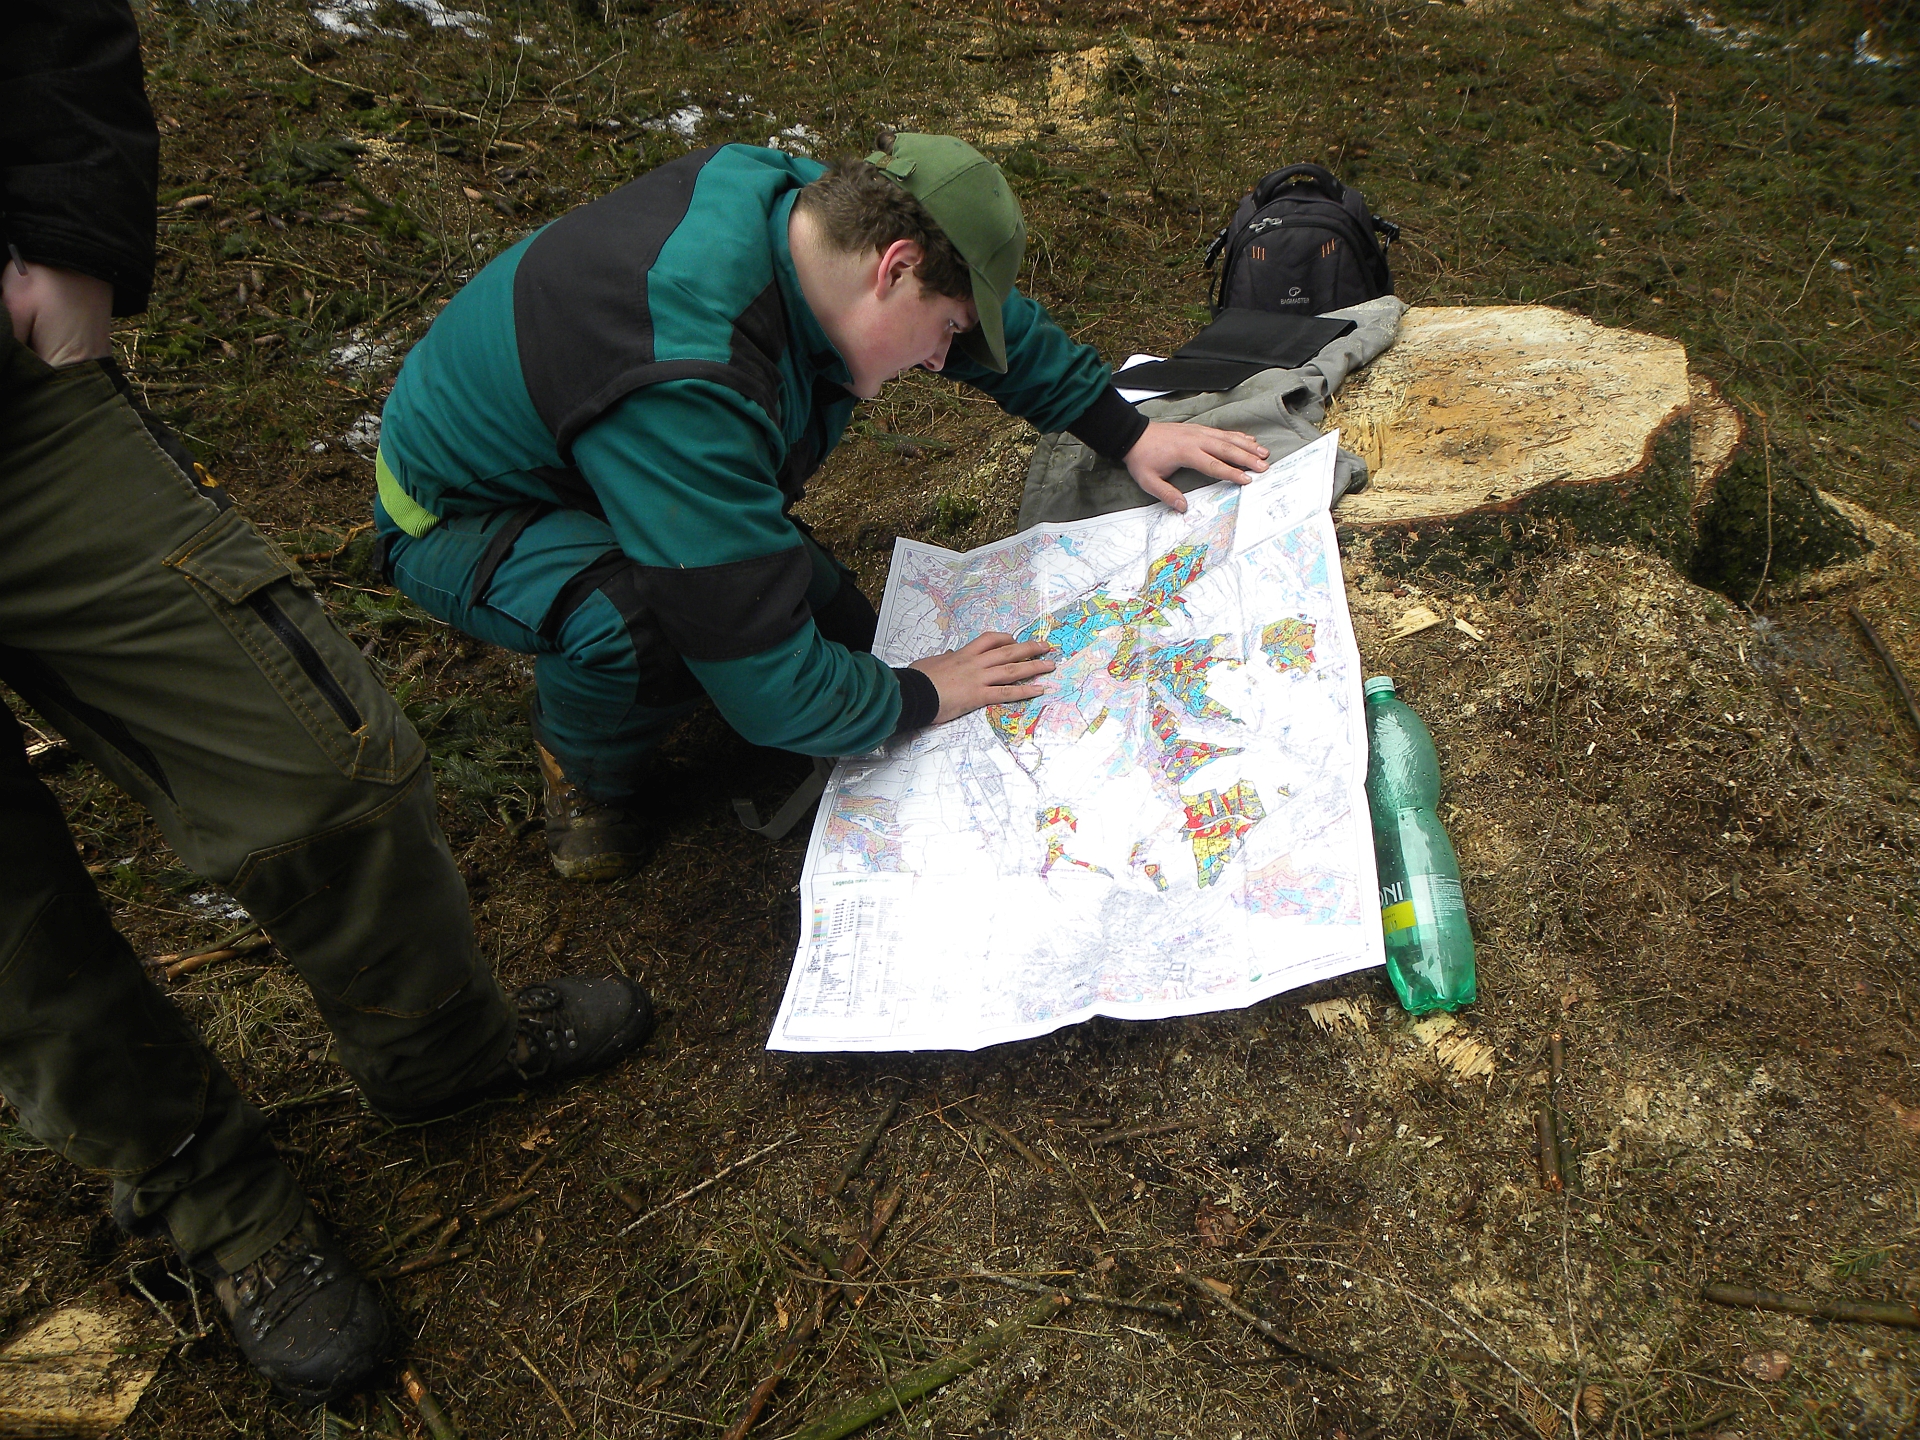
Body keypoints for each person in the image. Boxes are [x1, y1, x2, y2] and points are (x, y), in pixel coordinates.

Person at [0, 0, 653, 1405]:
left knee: (321, 763)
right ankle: (215, 1202)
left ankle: (444, 1046)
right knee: (14, 949)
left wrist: (71, 220)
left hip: (17, 423)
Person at [373, 134, 1271, 880]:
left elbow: (988, 323)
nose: (940, 360)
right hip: (468, 511)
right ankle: (583, 770)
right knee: (649, 627)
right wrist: (925, 691)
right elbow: (767, 684)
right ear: (895, 268)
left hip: (598, 449)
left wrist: (1124, 432)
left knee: (845, 637)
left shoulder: (822, 219)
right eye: (944, 332)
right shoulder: (687, 379)